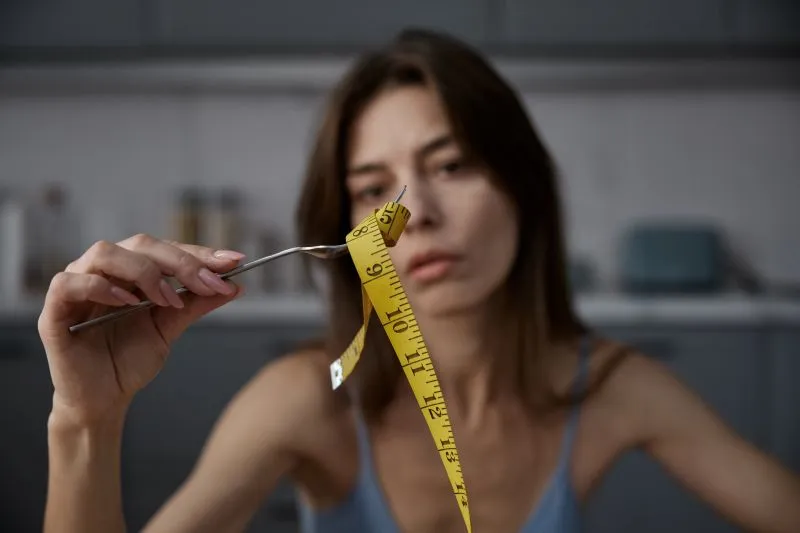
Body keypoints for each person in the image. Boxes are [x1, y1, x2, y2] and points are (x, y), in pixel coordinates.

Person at [38, 28, 799, 533]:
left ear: (524, 187)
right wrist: (85, 422)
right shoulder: (306, 401)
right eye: (373, 189)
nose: (415, 213)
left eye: (453, 164)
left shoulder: (615, 391)